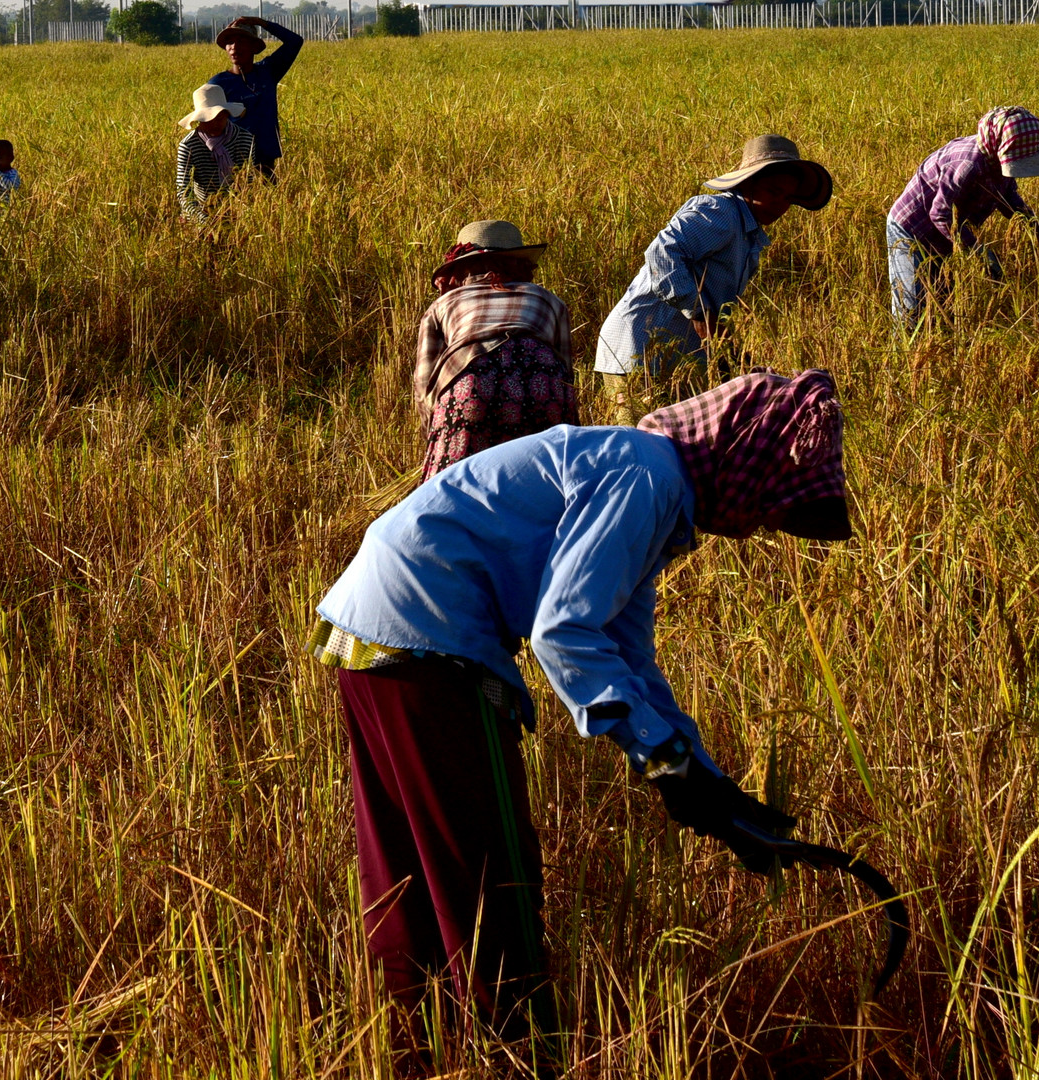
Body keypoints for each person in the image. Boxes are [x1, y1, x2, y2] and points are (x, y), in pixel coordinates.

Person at [308, 369, 852, 1073]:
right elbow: (562, 632)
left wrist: (707, 785)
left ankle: (417, 1055)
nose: (755, 528)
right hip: (430, 637)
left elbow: (627, 657)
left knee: (411, 873)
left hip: (374, 632)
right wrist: (665, 765)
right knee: (490, 880)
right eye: (771, 505)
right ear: (744, 449)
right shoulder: (644, 478)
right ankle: (517, 1059)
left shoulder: (644, 477)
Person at [595, 135, 832, 424]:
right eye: (773, 191)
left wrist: (729, 354)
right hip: (641, 345)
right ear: (748, 183)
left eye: (788, 198)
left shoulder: (748, 233)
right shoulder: (721, 214)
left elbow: (714, 311)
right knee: (638, 448)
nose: (781, 205)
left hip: (674, 354)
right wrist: (697, 310)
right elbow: (662, 252)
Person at [414, 219, 576, 479]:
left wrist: (432, 433)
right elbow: (566, 372)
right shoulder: (549, 299)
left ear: (462, 268)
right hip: (541, 383)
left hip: (472, 383)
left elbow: (424, 381)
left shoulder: (444, 304)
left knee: (456, 484)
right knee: (539, 480)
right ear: (520, 264)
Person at [887, 106, 1039, 330]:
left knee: (941, 301)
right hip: (911, 230)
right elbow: (940, 213)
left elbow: (1008, 199)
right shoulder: (967, 164)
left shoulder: (996, 163)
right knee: (912, 307)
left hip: (947, 235)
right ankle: (905, 355)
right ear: (1000, 147)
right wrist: (980, 253)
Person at [208, 16, 302, 181]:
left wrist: (263, 23)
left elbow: (295, 41)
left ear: (253, 46)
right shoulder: (218, 84)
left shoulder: (268, 72)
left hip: (266, 157)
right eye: (229, 42)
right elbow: (208, 124)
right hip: (232, 162)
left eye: (241, 41)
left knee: (269, 201)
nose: (234, 47)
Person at [174, 84, 255, 225]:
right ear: (198, 120)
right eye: (207, 120)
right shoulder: (188, 145)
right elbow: (184, 191)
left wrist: (241, 215)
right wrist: (203, 221)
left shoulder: (244, 139)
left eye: (218, 118)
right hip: (201, 210)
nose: (214, 125)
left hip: (237, 210)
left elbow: (247, 183)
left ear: (226, 115)